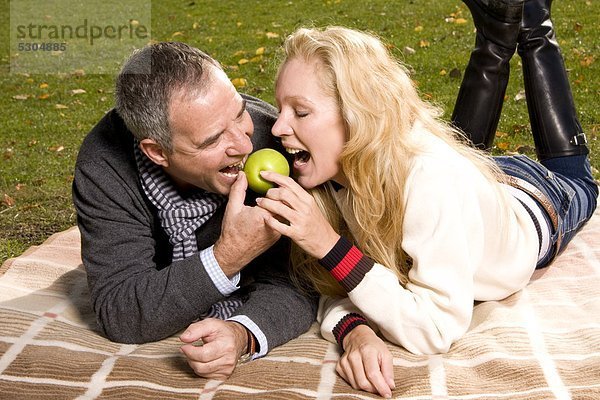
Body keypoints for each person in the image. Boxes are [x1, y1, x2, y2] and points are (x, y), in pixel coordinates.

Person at [254, 2, 598, 398]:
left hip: (535, 200)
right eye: (281, 108)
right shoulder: (332, 174)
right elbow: (331, 288)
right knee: (463, 152)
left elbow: (435, 330)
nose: (278, 127)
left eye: (301, 111)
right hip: (474, 182)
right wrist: (356, 331)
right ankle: (498, 32)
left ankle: (534, 21)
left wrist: (329, 245)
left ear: (357, 115)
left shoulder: (432, 180)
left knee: (582, 183)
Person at [72, 42, 317, 380]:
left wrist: (241, 334)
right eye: (212, 140)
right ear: (157, 152)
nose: (244, 145)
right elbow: (122, 311)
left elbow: (298, 282)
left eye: (239, 113)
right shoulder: (105, 164)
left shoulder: (273, 140)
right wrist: (227, 257)